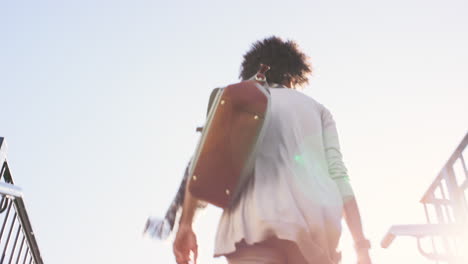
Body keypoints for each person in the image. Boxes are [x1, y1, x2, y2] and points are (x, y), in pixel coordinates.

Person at [173, 36, 372, 264]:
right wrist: (361, 245)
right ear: (293, 74)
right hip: (315, 236)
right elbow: (339, 176)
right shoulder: (318, 110)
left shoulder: (237, 100)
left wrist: (186, 224)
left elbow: (205, 163)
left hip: (251, 229)